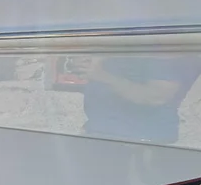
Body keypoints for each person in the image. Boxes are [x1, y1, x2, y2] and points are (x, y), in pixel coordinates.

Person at [73, 54, 201, 144]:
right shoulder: (126, 39)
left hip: (142, 143)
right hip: (101, 135)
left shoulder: (165, 50)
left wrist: (102, 76)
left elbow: (156, 97)